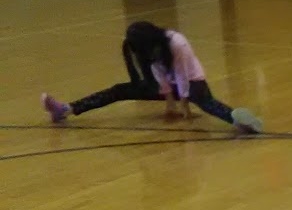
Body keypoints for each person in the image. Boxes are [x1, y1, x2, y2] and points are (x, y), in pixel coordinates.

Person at [39, 21, 263, 134]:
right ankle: (66, 109)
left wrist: (184, 103)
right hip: (166, 85)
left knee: (204, 101)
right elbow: (157, 74)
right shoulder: (142, 49)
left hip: (192, 81)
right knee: (119, 90)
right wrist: (168, 101)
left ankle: (237, 119)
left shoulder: (177, 43)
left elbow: (183, 75)